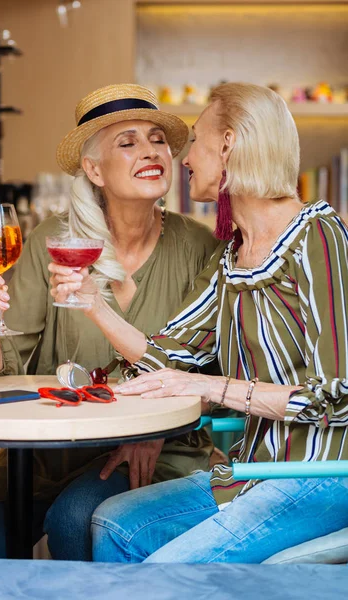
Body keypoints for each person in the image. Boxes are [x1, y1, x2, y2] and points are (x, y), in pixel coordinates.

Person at [50, 82, 348, 564]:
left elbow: (339, 393)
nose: (183, 159)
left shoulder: (319, 235)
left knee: (164, 569)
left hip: (325, 474)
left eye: (195, 140)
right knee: (113, 523)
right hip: (255, 472)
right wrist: (92, 304)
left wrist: (210, 387)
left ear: (228, 144)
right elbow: (166, 357)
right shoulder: (232, 256)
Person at [0, 84, 219, 560]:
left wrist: (150, 430)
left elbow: (209, 372)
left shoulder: (200, 248)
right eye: (127, 142)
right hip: (45, 457)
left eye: (157, 138)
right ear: (93, 169)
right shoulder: (53, 240)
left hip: (153, 455)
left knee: (77, 522)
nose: (151, 151)